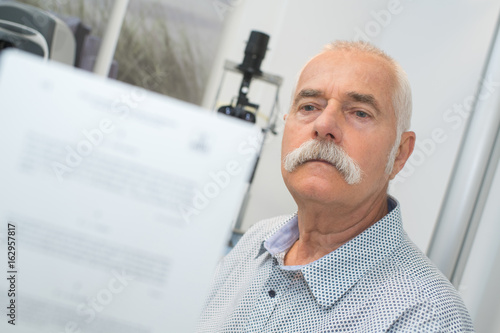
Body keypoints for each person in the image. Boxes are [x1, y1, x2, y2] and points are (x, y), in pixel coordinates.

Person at [197, 40, 474, 332]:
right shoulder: (255, 243)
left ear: (399, 154)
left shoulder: (426, 317)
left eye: (360, 113)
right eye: (309, 106)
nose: (324, 124)